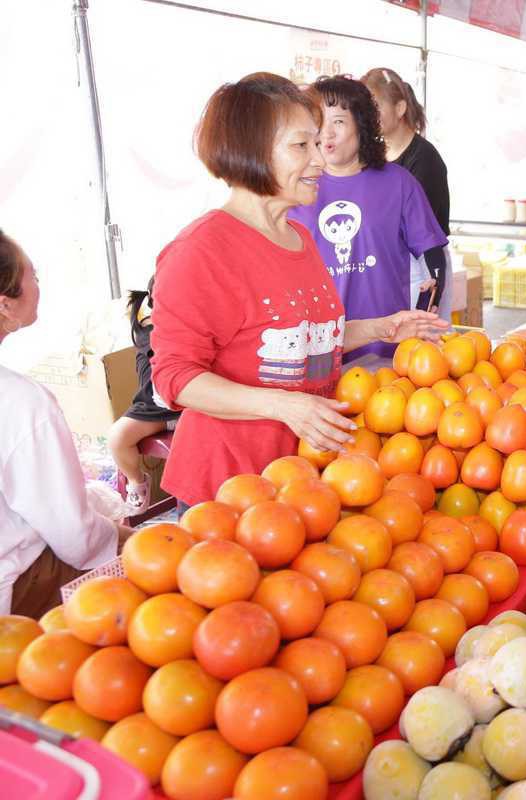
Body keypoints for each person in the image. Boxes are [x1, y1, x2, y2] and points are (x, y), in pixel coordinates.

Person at [151, 72, 445, 510]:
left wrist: (381, 329)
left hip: (300, 483)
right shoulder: (201, 251)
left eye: (317, 144)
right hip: (228, 492)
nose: (320, 161)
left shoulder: (299, 239)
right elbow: (175, 377)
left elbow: (310, 342)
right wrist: (285, 407)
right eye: (301, 146)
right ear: (251, 149)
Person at [1, 230, 127, 617]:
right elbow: (75, 537)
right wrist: (127, 539)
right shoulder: (21, 401)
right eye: (33, 275)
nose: (39, 285)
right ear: (5, 305)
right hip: (17, 591)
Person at [291, 75, 451, 361]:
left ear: (361, 125)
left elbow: (432, 251)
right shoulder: (296, 188)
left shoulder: (399, 183)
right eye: (319, 123)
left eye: (338, 122)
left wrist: (430, 302)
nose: (326, 133)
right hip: (317, 345)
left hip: (388, 341)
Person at [362, 68, 454, 320]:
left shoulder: (425, 159)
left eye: (375, 106)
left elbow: (425, 234)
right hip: (389, 263)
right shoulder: (375, 156)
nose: (368, 115)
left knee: (422, 346)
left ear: (400, 108)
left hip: (422, 264)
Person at [107, 276, 181, 512]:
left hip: (191, 407)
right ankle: (136, 481)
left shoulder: (199, 329)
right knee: (118, 437)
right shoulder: (148, 333)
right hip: (154, 410)